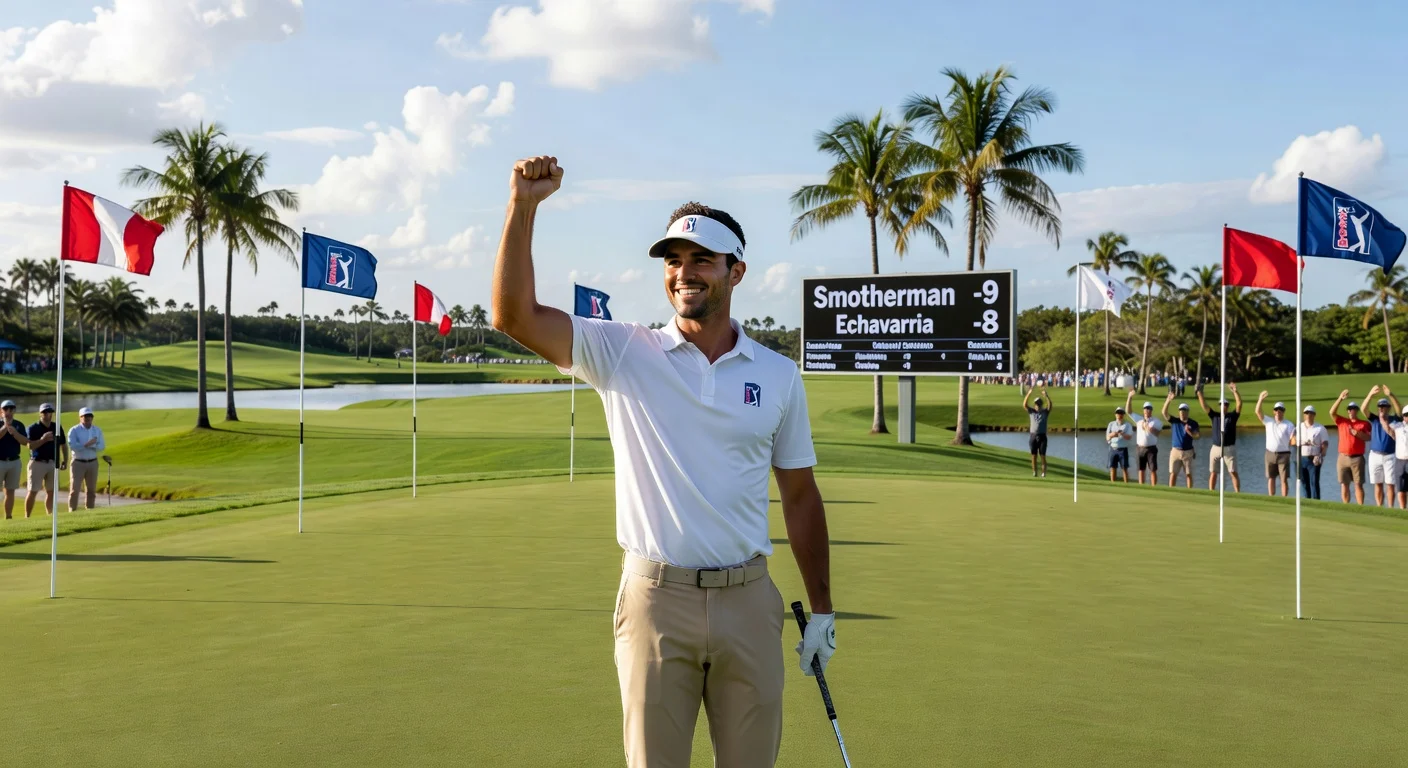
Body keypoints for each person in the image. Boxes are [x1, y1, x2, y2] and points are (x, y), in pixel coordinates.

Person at [490, 156, 833, 768]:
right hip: (655, 600)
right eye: (673, 260)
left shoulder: (779, 377)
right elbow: (513, 316)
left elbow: (800, 495)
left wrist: (823, 611)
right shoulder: (623, 351)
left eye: (702, 259)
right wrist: (523, 206)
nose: (684, 273)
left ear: (736, 270)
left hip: (749, 601)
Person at [1196, 383, 1242, 492]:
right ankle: (1211, 492)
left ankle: (1237, 493)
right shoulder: (1214, 416)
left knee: (1233, 472)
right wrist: (1199, 394)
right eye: (1221, 404)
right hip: (1216, 448)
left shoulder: (1232, 417)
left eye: (1225, 404)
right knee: (1213, 472)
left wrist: (1235, 391)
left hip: (1229, 448)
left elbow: (1239, 404)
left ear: (1227, 406)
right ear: (1219, 405)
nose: (1224, 406)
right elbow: (1204, 406)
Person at [1361, 385, 1402, 507]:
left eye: (1384, 406)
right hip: (1375, 455)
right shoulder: (1374, 419)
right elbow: (1363, 409)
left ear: (1388, 408)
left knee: (1390, 484)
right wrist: (1370, 395)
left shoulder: (1394, 419)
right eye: (1380, 406)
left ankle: (1390, 508)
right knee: (1377, 483)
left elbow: (1399, 410)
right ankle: (1379, 507)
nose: (1382, 408)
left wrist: (1390, 395)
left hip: (1390, 456)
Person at [24, 403, 67, 517]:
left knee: (51, 491)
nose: (48, 414)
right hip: (37, 462)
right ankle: (27, 516)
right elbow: (30, 446)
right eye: (45, 412)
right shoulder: (33, 428)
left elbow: (63, 444)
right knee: (33, 491)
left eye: (49, 412)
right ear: (40, 414)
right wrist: (43, 439)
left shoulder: (56, 427)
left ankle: (50, 515)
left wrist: (65, 460)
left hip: (52, 462)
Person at [1330, 390, 1370, 505]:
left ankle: (1360, 507)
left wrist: (1357, 434)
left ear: (1356, 410)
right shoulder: (1342, 421)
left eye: (1353, 409)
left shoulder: (1363, 424)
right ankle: (1346, 506)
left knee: (1358, 484)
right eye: (1349, 409)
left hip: (1357, 458)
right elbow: (1332, 412)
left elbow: (1368, 437)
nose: (1351, 411)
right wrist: (1340, 399)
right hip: (1343, 457)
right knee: (1344, 484)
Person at [1254, 392, 1294, 496]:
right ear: (1273, 411)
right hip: (1270, 454)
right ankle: (1272, 498)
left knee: (1283, 479)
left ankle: (1284, 500)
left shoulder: (1289, 424)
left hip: (1284, 455)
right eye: (1276, 410)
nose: (1278, 412)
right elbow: (1257, 411)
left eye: (1280, 410)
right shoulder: (1268, 421)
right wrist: (1260, 399)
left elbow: (1292, 439)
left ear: (1283, 411)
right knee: (1271, 478)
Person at [67, 406, 106, 511]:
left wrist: (91, 446)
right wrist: (87, 444)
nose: (88, 418)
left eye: (90, 416)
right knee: (75, 490)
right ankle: (72, 511)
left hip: (92, 462)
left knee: (91, 490)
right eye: (85, 416)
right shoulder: (74, 430)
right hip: (78, 463)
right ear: (80, 417)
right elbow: (73, 446)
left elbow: (101, 446)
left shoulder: (97, 430)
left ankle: (90, 511)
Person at [1124, 389, 1162, 486]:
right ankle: (1142, 487)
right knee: (1141, 469)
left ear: (1151, 410)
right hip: (1140, 448)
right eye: (1145, 408)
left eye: (1149, 408)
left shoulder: (1156, 421)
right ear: (1143, 410)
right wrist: (1129, 397)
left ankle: (1154, 487)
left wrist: (1148, 428)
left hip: (1151, 449)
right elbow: (1128, 411)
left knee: (1153, 469)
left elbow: (1157, 433)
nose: (1147, 410)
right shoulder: (1139, 419)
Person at [0, 399, 30, 519]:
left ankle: (8, 516)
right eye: (6, 409)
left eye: (11, 409)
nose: (8, 411)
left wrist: (15, 433)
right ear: (1, 411)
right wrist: (6, 427)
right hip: (0, 461)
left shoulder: (19, 425)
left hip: (14, 461)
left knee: (10, 491)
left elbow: (25, 442)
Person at [1161, 394, 1200, 488]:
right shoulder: (1175, 421)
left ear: (1187, 412)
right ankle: (1171, 492)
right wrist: (1168, 400)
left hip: (1188, 452)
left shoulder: (1193, 423)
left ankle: (1189, 492)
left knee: (1188, 474)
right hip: (1175, 451)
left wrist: (1189, 431)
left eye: (1184, 411)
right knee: (1173, 473)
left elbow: (1197, 436)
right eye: (1180, 411)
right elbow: (1164, 413)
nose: (1182, 413)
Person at [1292, 405, 1329, 500]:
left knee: (1314, 482)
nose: (1309, 415)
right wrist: (1298, 442)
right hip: (1302, 458)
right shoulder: (1299, 427)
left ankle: (1316, 502)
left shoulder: (1320, 428)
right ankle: (1307, 501)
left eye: (1311, 413)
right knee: (1304, 482)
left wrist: (1321, 455)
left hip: (1314, 459)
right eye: (1306, 413)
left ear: (1314, 415)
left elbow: (1325, 443)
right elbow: (1292, 440)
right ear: (1304, 415)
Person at [1023, 384, 1052, 478]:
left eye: (1039, 404)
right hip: (1033, 436)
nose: (1038, 406)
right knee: (1033, 456)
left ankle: (1043, 474)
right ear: (1034, 405)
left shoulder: (1045, 412)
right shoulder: (1031, 411)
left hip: (1042, 436)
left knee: (1042, 456)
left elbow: (1050, 406)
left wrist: (1046, 396)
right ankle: (1034, 472)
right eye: (1036, 404)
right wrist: (1029, 394)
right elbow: (1024, 405)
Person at [1106, 407, 1134, 483]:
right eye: (1118, 413)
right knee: (1112, 468)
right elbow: (1107, 437)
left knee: (1124, 468)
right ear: (1115, 414)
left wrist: (1122, 434)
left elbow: (1129, 437)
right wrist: (1113, 434)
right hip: (1113, 449)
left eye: (1121, 413)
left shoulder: (1127, 425)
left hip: (1123, 449)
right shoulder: (1111, 424)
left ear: (1123, 415)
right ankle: (1113, 484)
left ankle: (1126, 485)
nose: (1120, 415)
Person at [1392, 404, 1408, 508]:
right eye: (1406, 415)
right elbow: (1385, 423)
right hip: (1400, 460)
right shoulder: (1397, 426)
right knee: (1401, 488)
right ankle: (1402, 510)